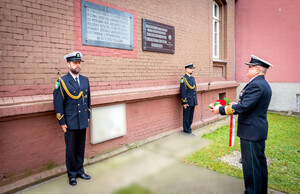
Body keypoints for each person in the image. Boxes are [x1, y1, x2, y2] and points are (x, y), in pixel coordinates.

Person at [211, 55, 273, 194]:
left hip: (251, 131)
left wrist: (220, 109)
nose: (247, 69)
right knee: (259, 164)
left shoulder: (256, 84)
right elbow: (249, 104)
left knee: (251, 166)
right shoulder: (261, 83)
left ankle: (252, 191)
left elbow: (244, 107)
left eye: (250, 67)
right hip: (256, 130)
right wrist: (237, 104)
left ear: (257, 70)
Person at [53, 51, 91, 186]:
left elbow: (88, 100)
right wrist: (61, 121)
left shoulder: (85, 80)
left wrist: (88, 116)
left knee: (80, 148)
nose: (78, 65)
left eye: (79, 62)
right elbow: (58, 103)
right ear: (68, 64)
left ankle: (80, 171)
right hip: (70, 122)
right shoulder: (62, 81)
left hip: (82, 120)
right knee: (70, 149)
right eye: (75, 63)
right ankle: (72, 174)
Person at [180, 63, 198, 135]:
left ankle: (189, 130)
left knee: (191, 117)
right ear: (186, 70)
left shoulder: (192, 78)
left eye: (192, 69)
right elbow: (183, 91)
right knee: (186, 117)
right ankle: (186, 131)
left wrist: (195, 100)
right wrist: (184, 102)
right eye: (191, 69)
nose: (192, 70)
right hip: (187, 101)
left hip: (193, 100)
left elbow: (194, 89)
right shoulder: (183, 79)